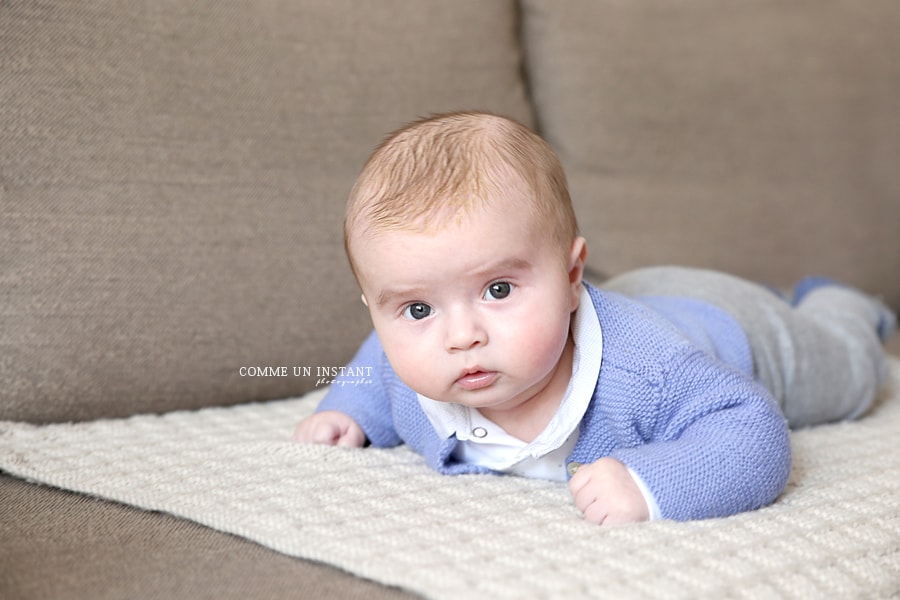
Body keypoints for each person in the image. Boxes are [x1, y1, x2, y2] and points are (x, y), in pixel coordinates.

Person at [293, 111, 895, 525]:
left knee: (849, 372)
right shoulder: (414, 366)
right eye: (418, 308)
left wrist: (654, 483)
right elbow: (381, 356)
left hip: (734, 329)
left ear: (573, 275)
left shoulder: (649, 370)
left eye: (498, 289)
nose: (461, 335)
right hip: (644, 292)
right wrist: (350, 408)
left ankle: (840, 302)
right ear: (379, 307)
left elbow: (755, 434)